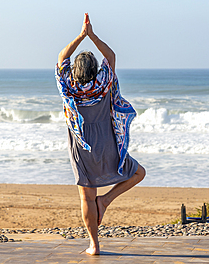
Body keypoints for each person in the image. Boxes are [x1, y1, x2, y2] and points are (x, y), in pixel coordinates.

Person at [55, 13, 146, 255]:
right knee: (139, 173)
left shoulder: (68, 86)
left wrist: (80, 35)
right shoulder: (104, 82)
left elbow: (62, 57)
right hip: (107, 144)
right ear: (96, 69)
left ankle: (94, 245)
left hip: (81, 146)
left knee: (86, 199)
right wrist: (91, 35)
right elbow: (111, 56)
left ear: (74, 70)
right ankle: (106, 200)